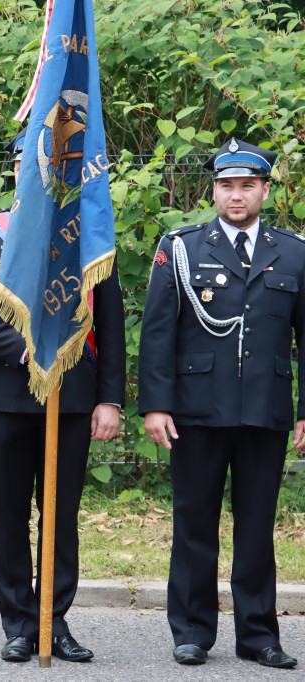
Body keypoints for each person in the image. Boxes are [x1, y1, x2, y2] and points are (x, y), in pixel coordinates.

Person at [0, 133, 125, 663]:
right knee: (8, 515)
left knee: (60, 515)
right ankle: (19, 624)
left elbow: (112, 324)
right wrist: (26, 350)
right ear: (15, 171)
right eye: (27, 165)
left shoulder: (88, 230)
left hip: (74, 396)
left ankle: (55, 621)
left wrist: (110, 399)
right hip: (8, 396)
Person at [139, 138, 302, 669]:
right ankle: (191, 630)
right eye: (227, 185)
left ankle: (258, 635)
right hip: (196, 410)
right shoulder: (182, 247)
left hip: (264, 408)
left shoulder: (294, 251)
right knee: (194, 520)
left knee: (257, 524)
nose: (237, 195)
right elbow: (158, 334)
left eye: (247, 186)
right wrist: (155, 406)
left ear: (264, 191)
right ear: (214, 191)